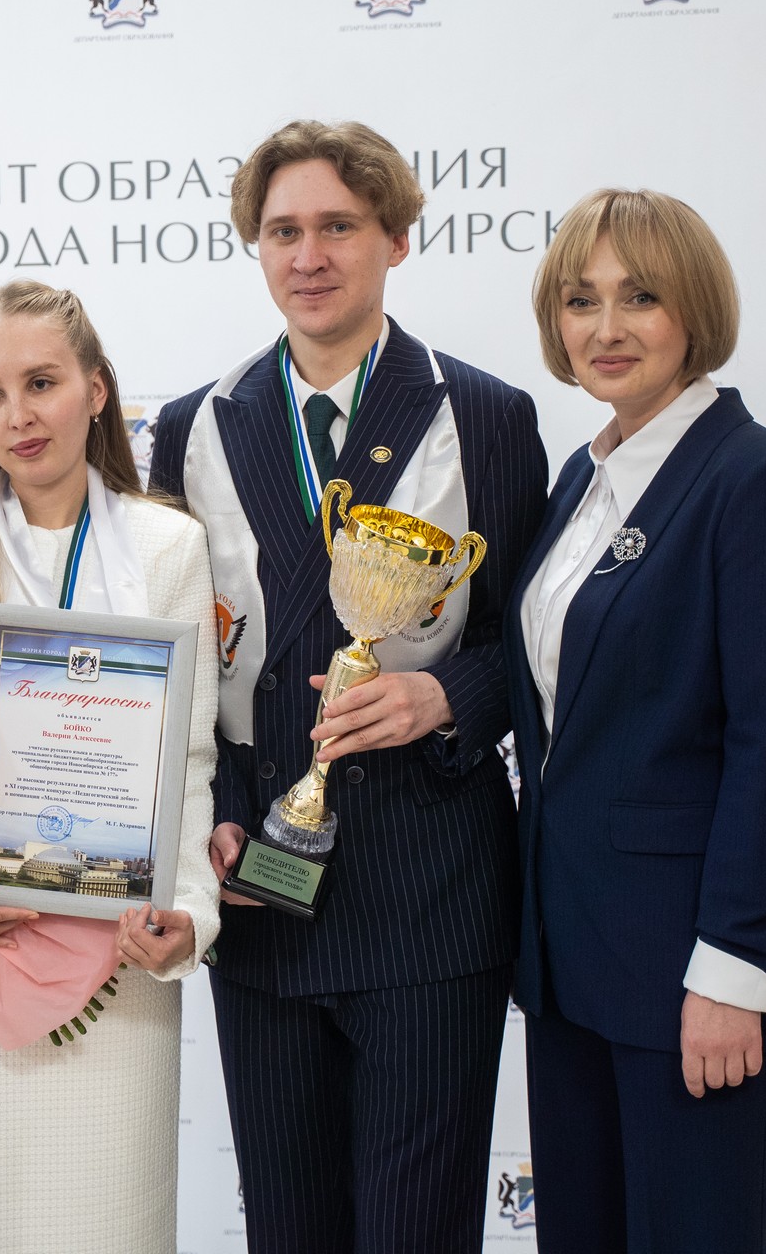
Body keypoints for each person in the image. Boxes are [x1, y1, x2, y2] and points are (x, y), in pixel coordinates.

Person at [148, 119, 548, 1252]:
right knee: (287, 1230)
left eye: (338, 226)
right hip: (261, 892)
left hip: (430, 894)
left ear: (396, 240)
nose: (309, 256)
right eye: (284, 231)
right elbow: (183, 659)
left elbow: (532, 642)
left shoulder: (485, 413)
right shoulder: (192, 426)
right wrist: (218, 818)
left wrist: (447, 698)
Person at [507, 188, 766, 1252]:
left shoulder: (759, 480)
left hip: (699, 981)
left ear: (695, 309)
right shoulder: (581, 480)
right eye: (580, 300)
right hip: (572, 971)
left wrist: (736, 966)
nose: (606, 328)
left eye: (639, 297)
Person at [0, 280, 221, 1254]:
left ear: (96, 390)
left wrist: (188, 918)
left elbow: (189, 759)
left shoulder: (167, 546)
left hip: (118, 961)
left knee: (103, 1224)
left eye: (41, 383)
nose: (17, 416)